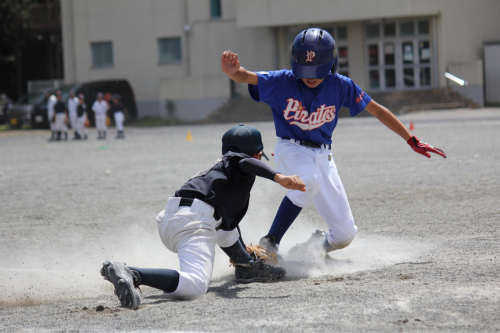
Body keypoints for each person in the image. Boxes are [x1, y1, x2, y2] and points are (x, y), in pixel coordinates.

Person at [220, 28, 447, 257]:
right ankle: (270, 242)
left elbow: (377, 110)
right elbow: (247, 76)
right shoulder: (283, 81)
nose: (309, 76)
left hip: (324, 157)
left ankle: (310, 252)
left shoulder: (341, 85)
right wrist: (234, 71)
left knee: (344, 234)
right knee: (309, 179)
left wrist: (411, 139)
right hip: (291, 149)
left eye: (316, 70)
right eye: (304, 69)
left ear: (331, 64)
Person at [100, 124, 306, 309]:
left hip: (175, 217)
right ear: (257, 154)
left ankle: (246, 267)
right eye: (259, 156)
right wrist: (277, 176)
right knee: (196, 286)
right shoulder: (237, 161)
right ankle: (133, 274)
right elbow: (245, 162)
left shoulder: (219, 171)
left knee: (224, 227)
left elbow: (227, 227)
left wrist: (246, 260)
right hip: (193, 223)